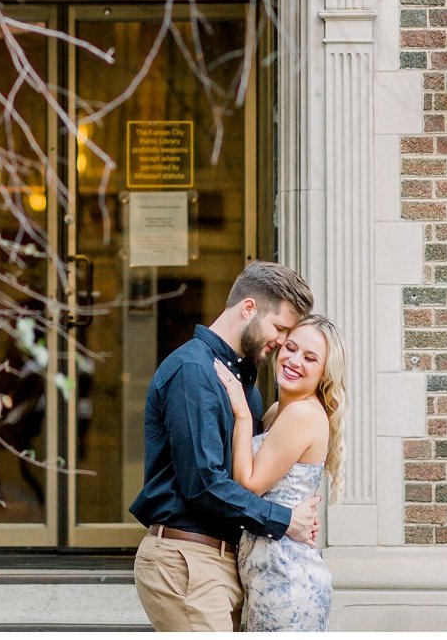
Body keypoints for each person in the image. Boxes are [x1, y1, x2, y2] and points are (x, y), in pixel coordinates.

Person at [129, 261, 321, 632]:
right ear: (248, 308)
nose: (283, 343)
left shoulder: (242, 382)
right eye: (279, 328)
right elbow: (203, 485)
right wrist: (284, 520)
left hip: (222, 563)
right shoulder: (194, 371)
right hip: (187, 560)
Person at [213, 314, 347, 632]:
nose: (294, 360)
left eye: (310, 357)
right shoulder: (277, 412)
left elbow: (248, 487)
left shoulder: (302, 413)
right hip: (265, 575)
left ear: (325, 372)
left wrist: (242, 415)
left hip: (288, 580)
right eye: (291, 347)